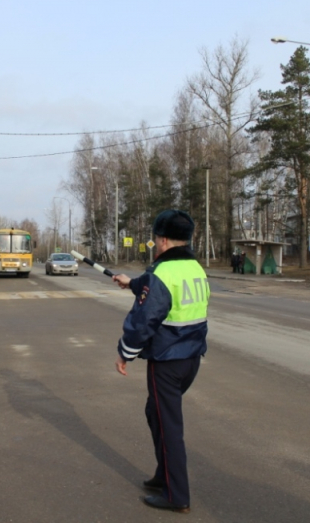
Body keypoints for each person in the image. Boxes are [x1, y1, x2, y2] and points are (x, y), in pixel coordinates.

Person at [112, 209, 210, 514]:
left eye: (155, 239)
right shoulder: (194, 268)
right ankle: (163, 474)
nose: (154, 244)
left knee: (169, 426)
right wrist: (132, 283)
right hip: (191, 358)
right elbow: (158, 290)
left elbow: (144, 322)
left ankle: (176, 495)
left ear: (163, 240)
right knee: (155, 412)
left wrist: (125, 352)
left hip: (167, 361)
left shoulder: (162, 274)